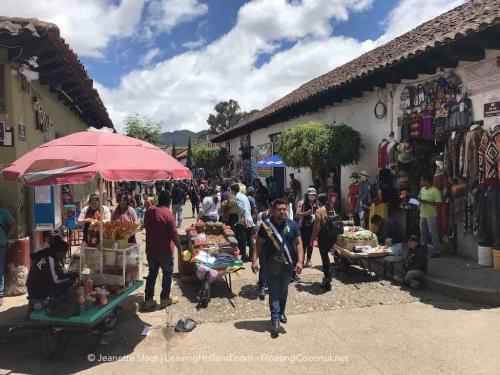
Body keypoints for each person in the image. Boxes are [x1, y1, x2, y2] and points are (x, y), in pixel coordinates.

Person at [252, 199, 304, 335]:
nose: (282, 211)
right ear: (273, 210)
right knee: (274, 291)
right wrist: (254, 261)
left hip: (288, 265)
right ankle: (275, 319)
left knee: (283, 290)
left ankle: (281, 312)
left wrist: (300, 261)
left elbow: (299, 244)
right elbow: (258, 244)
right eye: (279, 209)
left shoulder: (293, 225)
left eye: (284, 209)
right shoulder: (266, 226)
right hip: (271, 264)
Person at [143, 190, 181, 311]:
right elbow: (174, 234)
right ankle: (164, 298)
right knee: (167, 274)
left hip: (151, 250)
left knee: (152, 274)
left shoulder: (149, 211)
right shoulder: (168, 214)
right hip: (165, 251)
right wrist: (180, 249)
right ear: (169, 201)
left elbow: (146, 227)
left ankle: (148, 300)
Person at [27, 237, 78, 301]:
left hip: (36, 286)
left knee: (67, 284)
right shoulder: (49, 258)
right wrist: (69, 279)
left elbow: (60, 269)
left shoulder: (51, 254)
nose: (64, 256)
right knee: (67, 288)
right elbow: (55, 281)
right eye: (64, 253)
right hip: (36, 289)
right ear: (59, 252)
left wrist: (69, 274)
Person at [309, 193, 336, 291]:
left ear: (319, 201)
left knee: (324, 259)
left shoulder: (319, 211)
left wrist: (312, 239)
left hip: (324, 237)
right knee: (328, 258)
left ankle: (327, 282)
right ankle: (329, 276)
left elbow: (316, 228)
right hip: (332, 236)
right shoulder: (331, 208)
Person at [418, 174, 442, 257]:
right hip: (422, 214)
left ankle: (437, 251)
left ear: (426, 181)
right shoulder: (422, 189)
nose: (421, 182)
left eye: (422, 180)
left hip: (431, 215)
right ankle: (423, 250)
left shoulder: (435, 191)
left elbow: (439, 203)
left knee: (433, 233)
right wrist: (418, 203)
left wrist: (427, 202)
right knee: (423, 233)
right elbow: (419, 199)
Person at [296, 188, 318, 268]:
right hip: (303, 226)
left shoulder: (316, 203)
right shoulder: (302, 202)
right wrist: (306, 213)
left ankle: (308, 260)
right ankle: (301, 259)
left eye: (314, 195)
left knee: (311, 243)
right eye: (311, 195)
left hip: (312, 226)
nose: (312, 197)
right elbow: (297, 214)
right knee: (303, 244)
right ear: (307, 195)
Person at [233, 183, 255, 260]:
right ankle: (250, 255)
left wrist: (244, 219)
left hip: (243, 220)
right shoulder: (244, 196)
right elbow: (249, 208)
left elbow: (242, 209)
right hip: (248, 219)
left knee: (241, 237)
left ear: (233, 191)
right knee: (249, 239)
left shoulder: (237, 197)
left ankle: (244, 254)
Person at [0, 205, 17, 306]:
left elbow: (14, 225)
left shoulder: (3, 211)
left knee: (0, 269)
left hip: (1, 243)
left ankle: (0, 294)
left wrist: (6, 236)